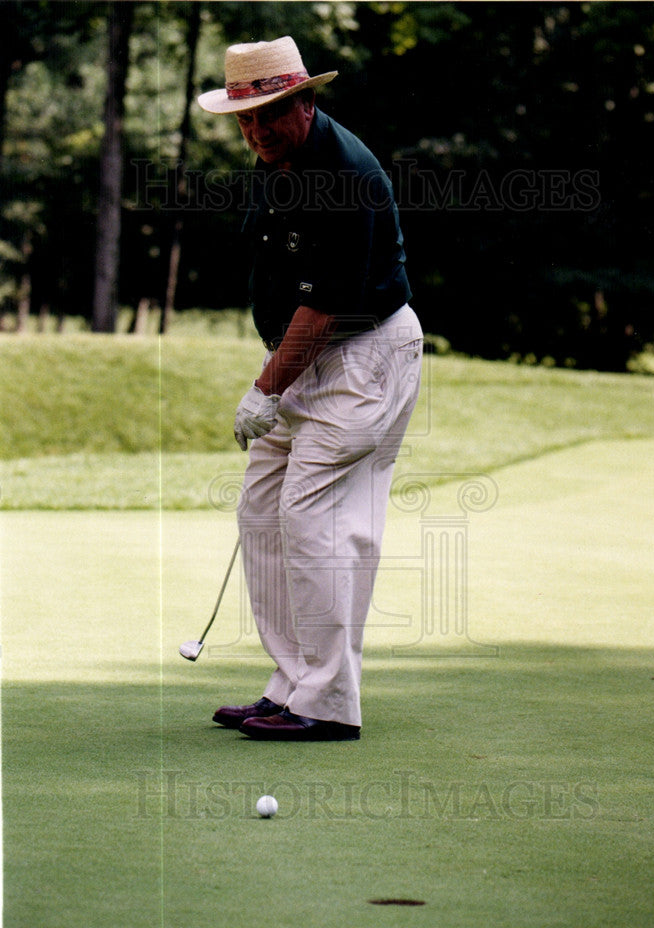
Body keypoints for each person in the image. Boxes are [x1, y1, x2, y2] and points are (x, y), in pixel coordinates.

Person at [197, 36, 423, 740]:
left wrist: (265, 390)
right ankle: (293, 681)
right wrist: (277, 376)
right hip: (307, 357)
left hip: (363, 359)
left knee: (308, 514)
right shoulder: (279, 161)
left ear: (306, 102)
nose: (257, 131)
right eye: (246, 119)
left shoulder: (345, 175)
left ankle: (327, 703)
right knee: (261, 512)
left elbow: (325, 305)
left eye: (270, 114)